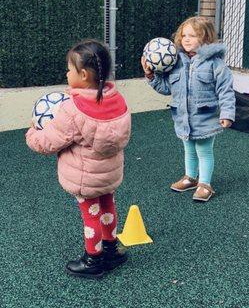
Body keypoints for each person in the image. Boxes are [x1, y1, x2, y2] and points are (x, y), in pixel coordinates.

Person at [26, 39, 131, 279]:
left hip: (85, 177)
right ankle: (112, 251)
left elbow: (47, 142)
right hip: (109, 173)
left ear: (83, 75)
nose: (66, 73)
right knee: (108, 206)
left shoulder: (72, 110)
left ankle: (93, 260)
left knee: (90, 214)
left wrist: (33, 131)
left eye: (69, 69)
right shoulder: (118, 100)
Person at [141, 16, 235, 202]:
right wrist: (150, 76)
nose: (186, 39)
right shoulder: (176, 63)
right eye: (183, 35)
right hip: (183, 117)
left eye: (192, 35)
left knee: (204, 150)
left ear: (206, 38)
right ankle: (190, 178)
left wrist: (227, 114)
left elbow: (226, 90)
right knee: (189, 149)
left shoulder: (215, 64)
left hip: (205, 117)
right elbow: (166, 88)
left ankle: (205, 184)